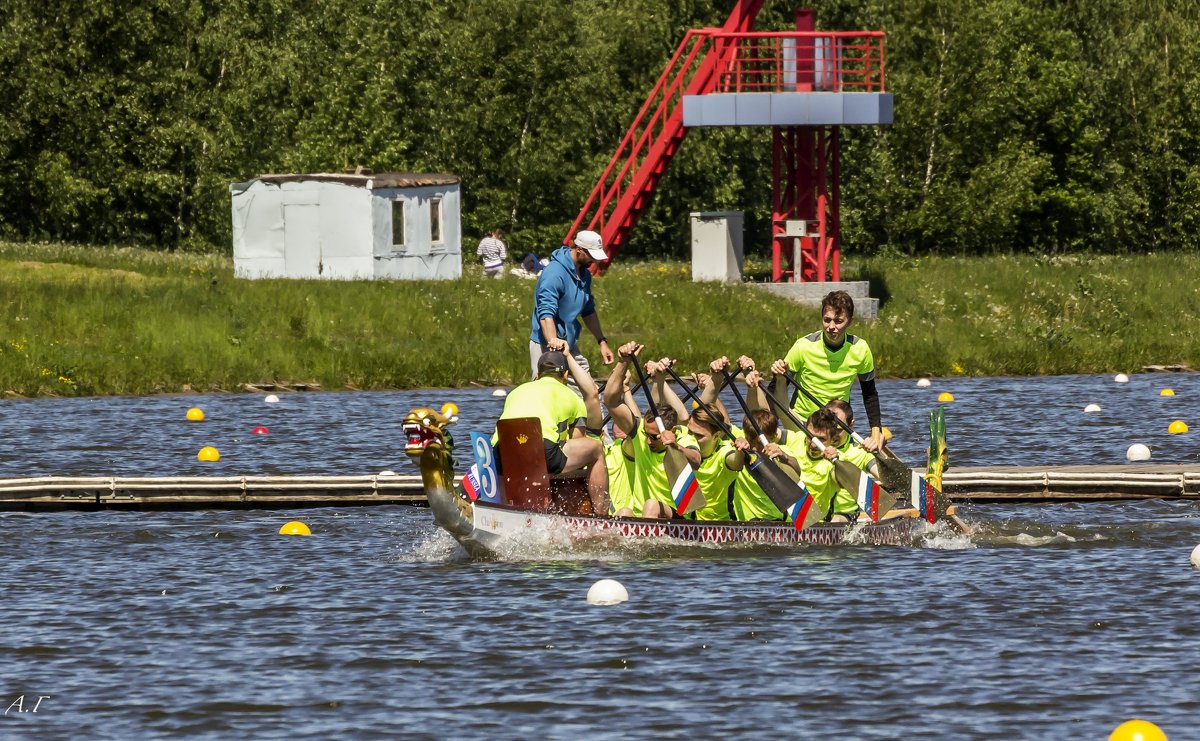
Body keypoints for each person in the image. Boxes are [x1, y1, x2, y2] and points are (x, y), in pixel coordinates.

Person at [491, 350, 609, 513]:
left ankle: (506, 511)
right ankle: (601, 514)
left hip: (500, 451)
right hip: (542, 450)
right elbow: (577, 442)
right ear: (566, 375)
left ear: (537, 375)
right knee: (595, 449)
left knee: (515, 455)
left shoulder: (515, 392)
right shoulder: (573, 397)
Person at [770, 290, 884, 452]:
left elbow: (870, 394)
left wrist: (876, 432)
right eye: (827, 320)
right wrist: (770, 427)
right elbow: (775, 389)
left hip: (837, 426)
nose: (831, 327)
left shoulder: (860, 348)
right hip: (802, 425)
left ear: (849, 321)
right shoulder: (803, 346)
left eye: (838, 321)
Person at [603, 343, 700, 520]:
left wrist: (676, 447)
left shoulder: (684, 438)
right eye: (647, 435)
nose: (647, 441)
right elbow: (610, 400)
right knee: (623, 512)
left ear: (671, 430)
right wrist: (623, 362)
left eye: (654, 437)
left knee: (651, 505)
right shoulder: (640, 432)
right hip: (641, 518)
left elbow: (696, 460)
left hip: (677, 516)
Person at [529, 230, 614, 382]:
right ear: (579, 249)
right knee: (549, 394)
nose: (594, 260)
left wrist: (602, 342)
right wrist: (554, 345)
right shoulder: (554, 273)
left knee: (590, 392)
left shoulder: (584, 274)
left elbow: (588, 310)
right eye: (591, 255)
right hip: (546, 343)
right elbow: (546, 313)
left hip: (569, 344)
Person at [823, 399, 880, 521]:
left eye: (838, 430)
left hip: (844, 516)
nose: (832, 434)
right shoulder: (814, 447)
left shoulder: (861, 451)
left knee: (836, 520)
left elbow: (883, 475)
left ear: (851, 425)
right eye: (829, 428)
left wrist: (877, 453)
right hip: (815, 514)